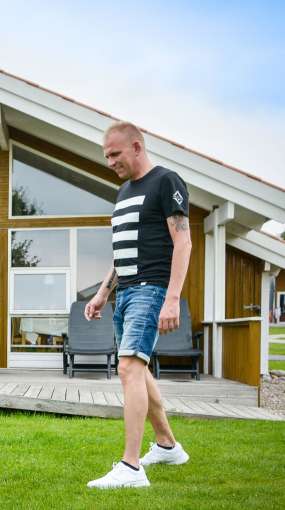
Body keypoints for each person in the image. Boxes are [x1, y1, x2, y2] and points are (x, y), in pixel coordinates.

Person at [85, 121, 192, 489]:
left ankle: (130, 468)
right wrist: (102, 294)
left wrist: (172, 298)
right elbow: (122, 252)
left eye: (115, 154)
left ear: (135, 146)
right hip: (126, 292)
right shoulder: (123, 192)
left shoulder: (166, 182)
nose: (111, 161)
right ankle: (167, 446)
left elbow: (183, 243)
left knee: (129, 367)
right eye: (107, 156)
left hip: (152, 289)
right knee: (137, 369)